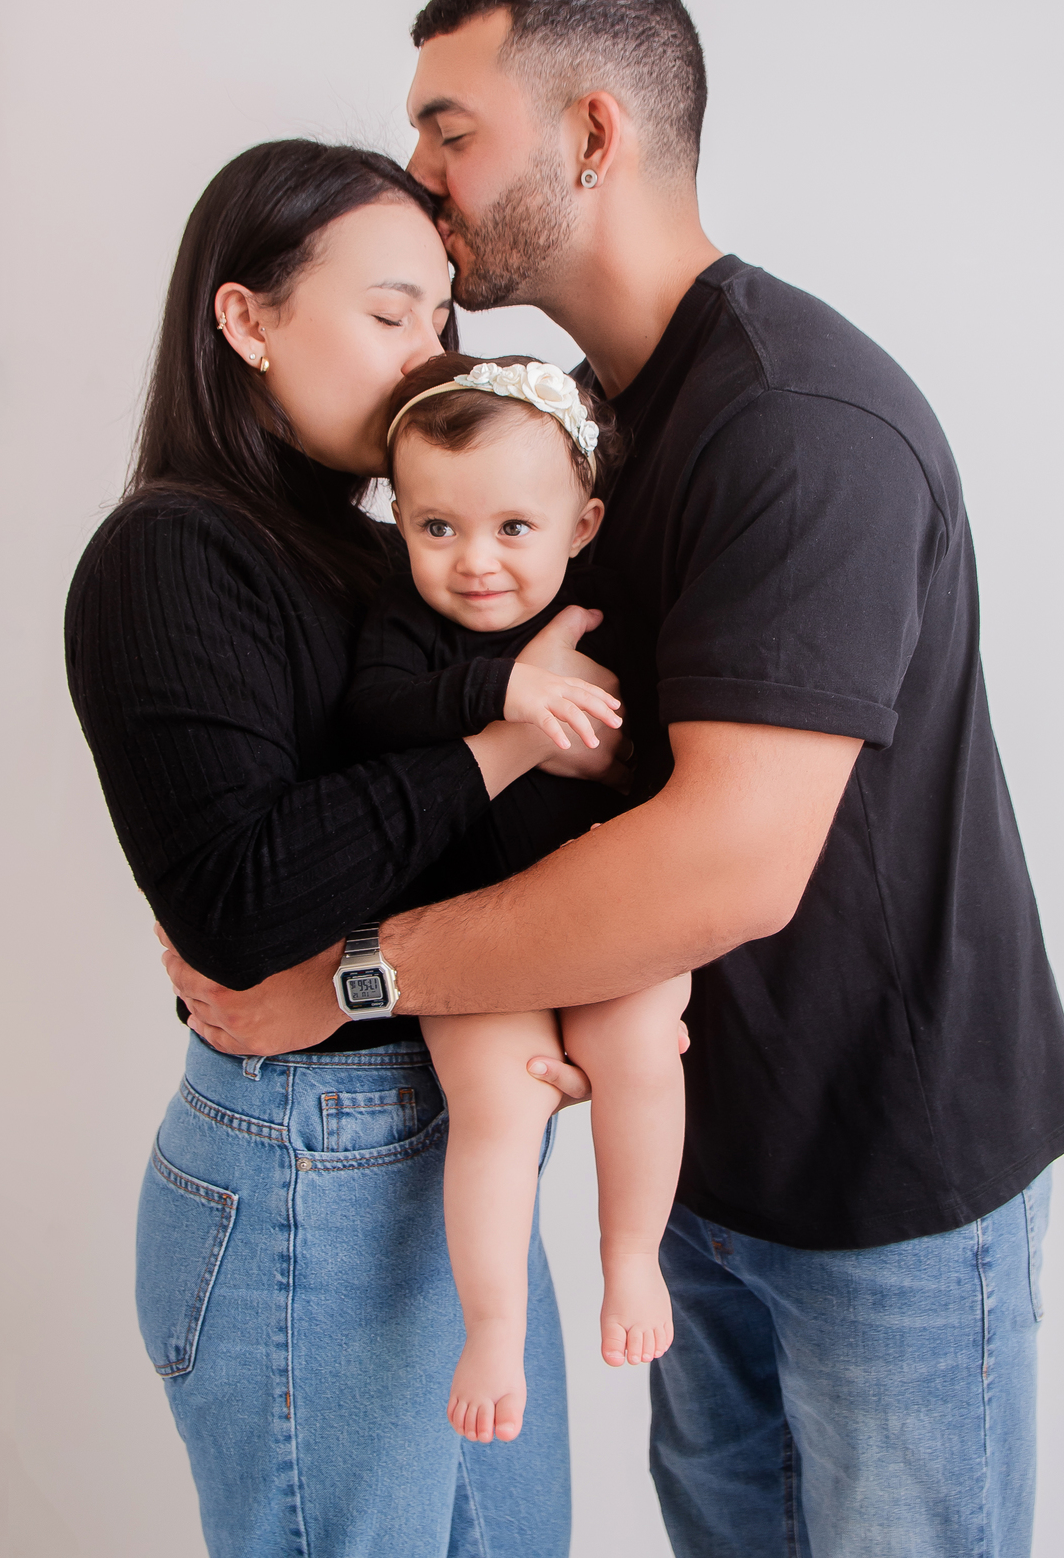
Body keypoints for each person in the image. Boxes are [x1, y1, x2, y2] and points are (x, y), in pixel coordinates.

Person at [161, 0, 1064, 1558]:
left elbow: (726, 864)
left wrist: (351, 980)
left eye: (451, 130)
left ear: (593, 134)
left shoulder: (799, 426)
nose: (417, 172)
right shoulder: (574, 425)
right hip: (704, 1171)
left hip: (888, 1194)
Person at [64, 139, 627, 1558]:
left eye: (442, 318)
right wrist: (506, 739)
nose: (429, 354)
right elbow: (245, 902)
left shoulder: (400, 560)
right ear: (247, 320)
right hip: (306, 1167)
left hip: (445, 1139)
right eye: (389, 314)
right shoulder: (169, 556)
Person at [344, 350, 690, 1444]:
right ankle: (494, 1327)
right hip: (466, 932)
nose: (475, 561)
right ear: (401, 519)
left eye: (513, 529)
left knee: (642, 1043)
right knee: (495, 1108)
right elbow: (373, 715)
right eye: (437, 527)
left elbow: (663, 763)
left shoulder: (606, 619)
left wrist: (610, 756)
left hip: (600, 910)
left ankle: (631, 1257)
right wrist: (505, 688)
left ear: (580, 527)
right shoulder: (405, 632)